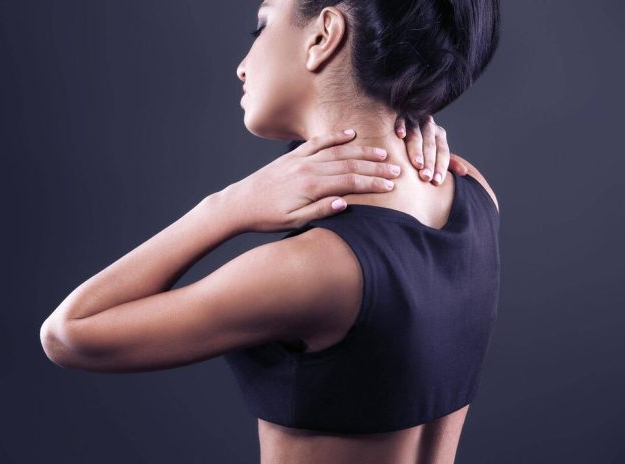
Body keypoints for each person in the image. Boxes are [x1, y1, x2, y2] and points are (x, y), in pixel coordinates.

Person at [40, 0, 500, 462]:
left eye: (261, 27)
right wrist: (403, 111)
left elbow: (67, 334)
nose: (242, 67)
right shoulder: (476, 195)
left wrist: (225, 208)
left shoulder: (314, 268)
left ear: (323, 36)